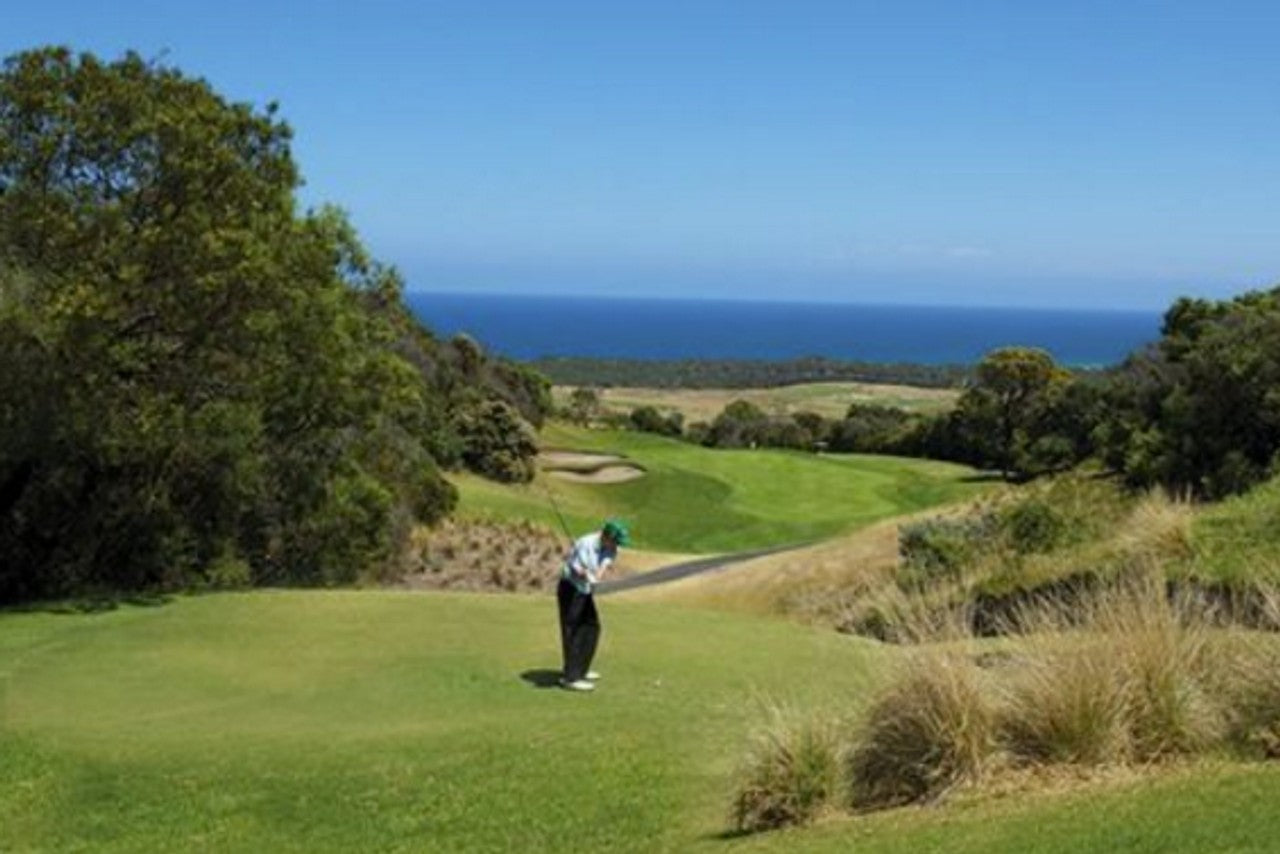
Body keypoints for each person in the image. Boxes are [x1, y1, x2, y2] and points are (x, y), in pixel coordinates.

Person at [557, 519, 629, 692]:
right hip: (571, 588)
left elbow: (604, 562)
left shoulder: (611, 547)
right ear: (607, 536)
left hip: (584, 589)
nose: (617, 545)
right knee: (573, 630)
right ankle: (570, 677)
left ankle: (581, 669)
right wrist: (586, 575)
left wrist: (596, 577)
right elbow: (575, 568)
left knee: (592, 626)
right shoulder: (586, 544)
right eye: (616, 541)